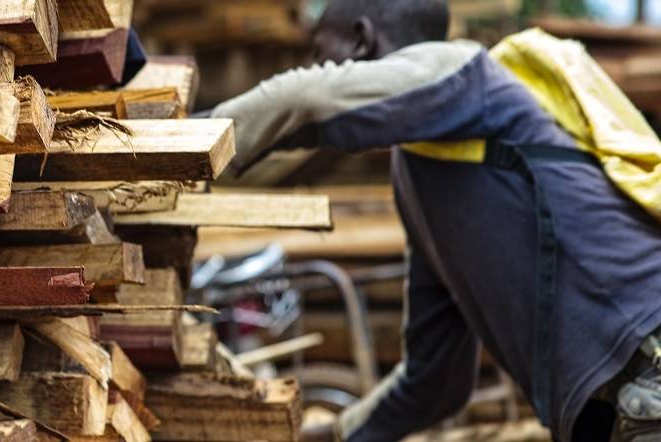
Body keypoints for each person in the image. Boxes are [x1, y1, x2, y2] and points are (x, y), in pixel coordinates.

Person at [209, 0, 661, 440]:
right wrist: (335, 434)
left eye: (321, 53)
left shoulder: (467, 73)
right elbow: (434, 382)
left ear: (361, 41)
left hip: (647, 357)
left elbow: (306, 97)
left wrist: (190, 138)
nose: (317, 66)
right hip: (620, 398)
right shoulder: (419, 171)